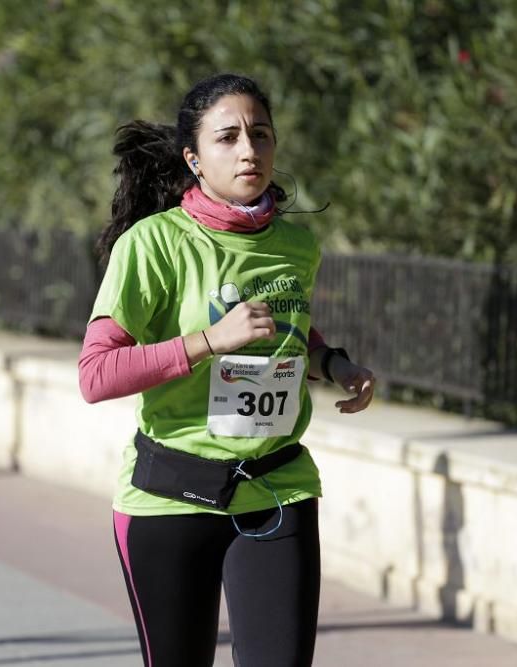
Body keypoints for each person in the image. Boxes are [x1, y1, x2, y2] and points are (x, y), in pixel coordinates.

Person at [79, 73, 375, 666]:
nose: (249, 150)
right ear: (193, 158)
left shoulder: (295, 245)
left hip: (278, 486)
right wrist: (210, 341)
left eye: (261, 135)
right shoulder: (153, 244)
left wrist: (331, 363)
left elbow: (285, 330)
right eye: (228, 137)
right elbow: (97, 374)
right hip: (172, 499)